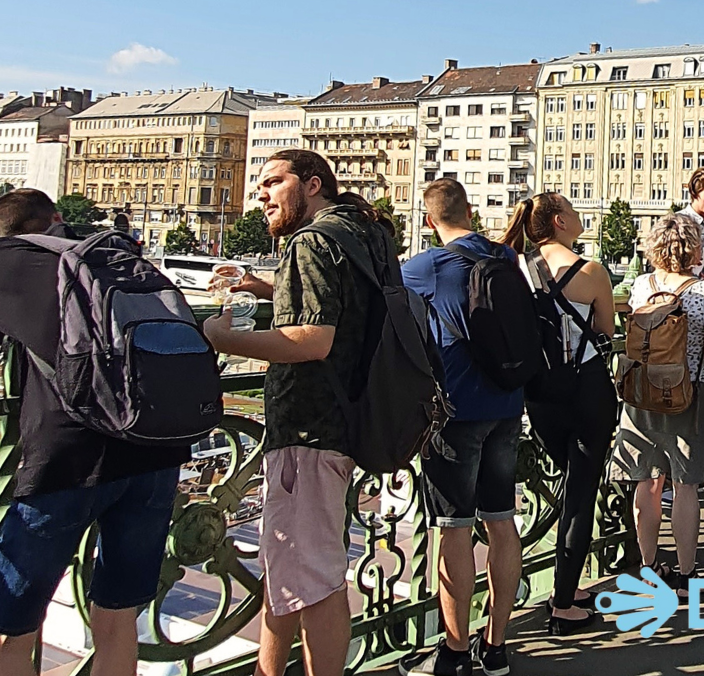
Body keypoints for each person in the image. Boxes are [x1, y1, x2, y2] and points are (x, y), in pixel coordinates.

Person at [0, 189, 188, 676]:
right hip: (154, 452)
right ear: (57, 218)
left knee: (11, 629)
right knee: (117, 621)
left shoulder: (4, 263)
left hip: (67, 461)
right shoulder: (119, 253)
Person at [205, 150, 394, 676]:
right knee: (289, 570)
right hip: (347, 416)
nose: (260, 193)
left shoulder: (310, 241)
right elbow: (348, 307)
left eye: (273, 182)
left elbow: (313, 340)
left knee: (313, 578)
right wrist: (270, 289)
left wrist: (226, 336)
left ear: (311, 185)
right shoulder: (362, 230)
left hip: (309, 424)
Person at [398, 179, 523, 676]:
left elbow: (373, 303)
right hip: (508, 403)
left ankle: (452, 651)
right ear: (470, 212)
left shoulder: (426, 266)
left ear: (430, 220)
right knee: (501, 520)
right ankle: (495, 648)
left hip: (455, 410)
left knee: (452, 529)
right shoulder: (505, 259)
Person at [502, 195, 616, 635]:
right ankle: (565, 603)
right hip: (586, 388)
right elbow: (606, 331)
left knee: (567, 481)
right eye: (573, 209)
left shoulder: (515, 267)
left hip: (540, 392)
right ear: (559, 221)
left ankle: (565, 584)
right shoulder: (590, 271)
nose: (579, 215)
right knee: (581, 491)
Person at [611, 214, 704, 597]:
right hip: (690, 394)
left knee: (646, 482)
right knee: (685, 486)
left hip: (643, 394)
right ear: (694, 249)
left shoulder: (642, 286)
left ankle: (648, 566)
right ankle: (686, 575)